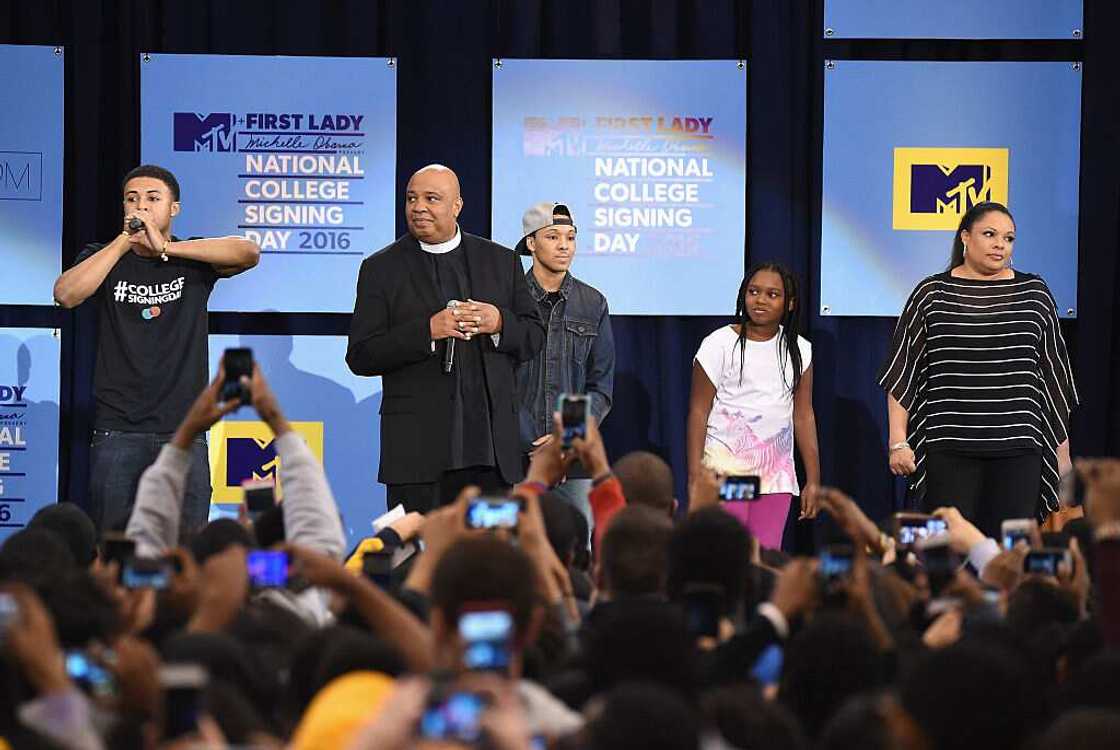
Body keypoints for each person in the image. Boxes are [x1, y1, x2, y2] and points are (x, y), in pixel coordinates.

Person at [52, 164, 260, 537]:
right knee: (116, 550)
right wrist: (124, 242)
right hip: (116, 431)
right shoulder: (104, 256)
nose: (141, 207)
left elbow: (248, 252)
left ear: (174, 208)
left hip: (183, 431)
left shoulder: (191, 258)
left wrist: (165, 248)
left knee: (184, 551)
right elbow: (66, 294)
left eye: (152, 198)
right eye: (132, 199)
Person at [346, 165, 545, 513]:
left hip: (491, 456)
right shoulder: (381, 269)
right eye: (411, 198)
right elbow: (361, 355)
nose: (418, 207)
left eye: (431, 198)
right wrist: (427, 331)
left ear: (457, 206)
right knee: (416, 562)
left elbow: (533, 335)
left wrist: (499, 322)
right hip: (416, 458)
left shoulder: (500, 261)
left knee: (489, 560)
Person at [878, 201, 1078, 537]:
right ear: (965, 237)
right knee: (947, 551)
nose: (1001, 244)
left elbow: (1053, 380)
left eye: (1009, 238)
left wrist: (1063, 459)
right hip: (949, 447)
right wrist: (898, 441)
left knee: (1010, 554)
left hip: (1019, 448)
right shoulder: (931, 294)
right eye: (990, 234)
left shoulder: (1035, 294)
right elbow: (903, 370)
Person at [686, 263, 821, 549]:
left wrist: (813, 479)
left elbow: (803, 415)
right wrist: (696, 475)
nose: (760, 300)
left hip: (776, 475)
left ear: (790, 303)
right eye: (754, 292)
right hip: (727, 469)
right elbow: (698, 411)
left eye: (772, 295)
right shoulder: (719, 344)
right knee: (729, 553)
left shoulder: (800, 349)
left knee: (767, 556)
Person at [514, 201, 614, 526]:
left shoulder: (593, 302)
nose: (564, 246)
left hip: (574, 458)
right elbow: (497, 380)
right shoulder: (508, 299)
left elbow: (601, 386)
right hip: (517, 455)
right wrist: (532, 441)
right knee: (516, 549)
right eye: (553, 236)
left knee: (577, 551)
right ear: (531, 243)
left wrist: (566, 439)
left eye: (570, 238)